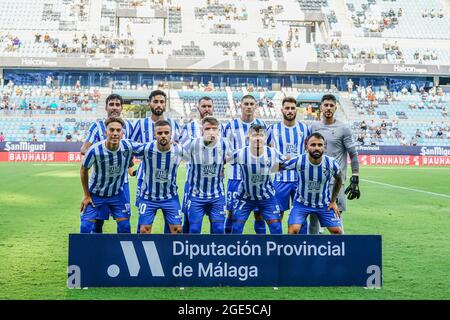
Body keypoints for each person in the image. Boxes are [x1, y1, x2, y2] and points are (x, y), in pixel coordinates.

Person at [80, 94, 134, 234]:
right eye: (111, 104)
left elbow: (132, 150)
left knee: (123, 222)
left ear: (122, 107)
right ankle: (97, 252)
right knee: (98, 222)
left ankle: (120, 250)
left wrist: (129, 166)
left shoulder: (127, 126)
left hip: (122, 184)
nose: (114, 108)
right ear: (106, 107)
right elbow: (84, 148)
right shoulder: (97, 126)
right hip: (100, 183)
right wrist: (102, 157)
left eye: (117, 105)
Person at [131, 90, 180, 234]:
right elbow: (130, 147)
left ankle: (167, 249)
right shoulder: (140, 124)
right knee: (144, 221)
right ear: (149, 103)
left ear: (165, 104)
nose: (159, 105)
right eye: (155, 101)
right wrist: (130, 167)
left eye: (162, 102)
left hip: (167, 179)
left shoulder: (173, 124)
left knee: (170, 221)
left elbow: (179, 146)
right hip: (144, 179)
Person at [309, 94, 360, 234]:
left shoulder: (343, 129)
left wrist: (355, 176)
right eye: (326, 105)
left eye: (331, 105)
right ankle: (313, 253)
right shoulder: (313, 127)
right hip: (316, 182)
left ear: (336, 108)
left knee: (335, 221)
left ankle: (338, 253)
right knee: (314, 221)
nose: (328, 108)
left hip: (335, 183)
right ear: (321, 107)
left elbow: (353, 154)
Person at [223, 95, 267, 234]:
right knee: (231, 212)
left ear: (255, 106)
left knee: (259, 213)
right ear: (240, 105)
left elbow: (268, 148)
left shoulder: (262, 125)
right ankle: (229, 246)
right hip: (235, 177)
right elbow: (226, 151)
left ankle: (261, 247)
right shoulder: (230, 126)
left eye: (251, 104)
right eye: (246, 104)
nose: (248, 106)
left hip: (257, 179)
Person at [230, 123, 284, 235]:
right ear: (248, 136)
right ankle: (235, 250)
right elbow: (223, 160)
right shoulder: (241, 153)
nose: (258, 138)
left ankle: (275, 251)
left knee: (276, 228)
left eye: (261, 135)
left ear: (265, 137)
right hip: (245, 197)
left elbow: (287, 163)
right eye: (254, 135)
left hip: (267, 197)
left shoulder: (272, 152)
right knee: (236, 228)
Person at [285, 132, 343, 234]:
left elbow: (339, 179)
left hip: (324, 204)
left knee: (338, 232)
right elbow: (278, 167)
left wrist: (333, 201)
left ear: (324, 147)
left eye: (320, 145)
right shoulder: (298, 161)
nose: (316, 148)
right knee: (293, 230)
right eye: (313, 145)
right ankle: (296, 250)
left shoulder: (331, 163)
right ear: (306, 146)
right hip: (301, 204)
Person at [267, 97, 310, 234]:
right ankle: (278, 246)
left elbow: (309, 150)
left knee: (301, 214)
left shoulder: (304, 129)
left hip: (300, 180)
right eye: (287, 108)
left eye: (292, 108)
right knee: (277, 214)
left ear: (296, 110)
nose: (290, 111)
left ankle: (301, 247)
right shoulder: (273, 129)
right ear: (282, 110)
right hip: (280, 180)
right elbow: (265, 150)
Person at [134, 120, 184, 234]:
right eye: (160, 133)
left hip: (170, 197)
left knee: (177, 231)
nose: (163, 136)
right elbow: (126, 149)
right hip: (148, 197)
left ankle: (170, 252)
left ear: (171, 134)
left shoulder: (179, 150)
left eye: (166, 133)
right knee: (143, 231)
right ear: (155, 134)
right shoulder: (146, 149)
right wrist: (130, 168)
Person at [179, 96, 220, 233]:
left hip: (215, 186)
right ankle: (187, 251)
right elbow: (185, 153)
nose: (207, 109)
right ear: (198, 108)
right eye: (204, 106)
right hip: (193, 185)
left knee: (216, 225)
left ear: (213, 107)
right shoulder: (189, 127)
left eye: (209, 106)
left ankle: (214, 251)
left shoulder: (221, 127)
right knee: (189, 222)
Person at [183, 117, 230, 234]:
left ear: (219, 130)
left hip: (217, 195)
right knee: (194, 230)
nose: (211, 132)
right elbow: (178, 157)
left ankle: (216, 252)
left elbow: (233, 159)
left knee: (219, 229)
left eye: (214, 129)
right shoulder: (193, 144)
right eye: (208, 128)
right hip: (196, 195)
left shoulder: (224, 143)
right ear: (201, 130)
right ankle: (194, 252)